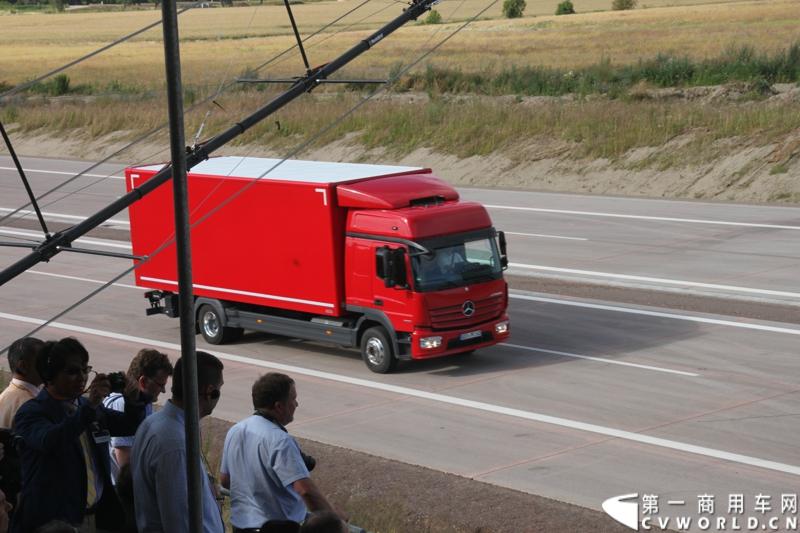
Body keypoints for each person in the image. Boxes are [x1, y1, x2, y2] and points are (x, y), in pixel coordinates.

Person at [12, 337, 149, 533]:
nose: (82, 377)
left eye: (85, 369)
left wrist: (133, 399)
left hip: (95, 516)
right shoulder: (31, 412)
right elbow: (51, 440)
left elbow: (129, 425)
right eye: (73, 371)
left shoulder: (86, 406)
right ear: (50, 375)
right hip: (53, 523)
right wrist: (89, 409)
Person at [220, 373, 345, 532]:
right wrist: (335, 519)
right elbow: (306, 491)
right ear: (279, 406)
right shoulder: (280, 440)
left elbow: (225, 480)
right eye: (293, 399)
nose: (297, 404)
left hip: (240, 527)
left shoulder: (235, 430)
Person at [131, 351, 224, 533]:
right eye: (219, 388)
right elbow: (180, 522)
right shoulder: (176, 445)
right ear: (209, 392)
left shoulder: (153, 423)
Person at [102, 349, 173, 484]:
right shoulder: (121, 404)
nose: (163, 391)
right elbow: (126, 465)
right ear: (143, 382)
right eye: (161, 385)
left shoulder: (143, 402)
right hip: (121, 491)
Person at [0, 337, 45, 429]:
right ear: (23, 366)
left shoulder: (4, 396)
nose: (49, 366)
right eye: (42, 361)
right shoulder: (30, 405)